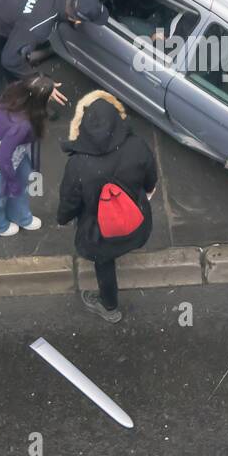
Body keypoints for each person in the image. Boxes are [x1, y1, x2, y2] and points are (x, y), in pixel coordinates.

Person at [56, 90, 158, 324]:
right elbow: (151, 180)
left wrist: (62, 219)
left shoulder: (78, 164)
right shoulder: (137, 146)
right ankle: (109, 302)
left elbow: (69, 202)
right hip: (137, 223)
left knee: (104, 263)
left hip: (99, 233)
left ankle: (109, 306)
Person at [0, 0, 109, 123]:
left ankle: (30, 106)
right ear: (76, 19)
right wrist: (40, 80)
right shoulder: (38, 28)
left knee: (19, 71)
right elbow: (10, 60)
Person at [0, 74, 55, 236]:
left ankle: (20, 215)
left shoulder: (15, 93)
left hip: (11, 151)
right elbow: (3, 157)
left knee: (23, 181)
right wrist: (11, 182)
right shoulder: (23, 125)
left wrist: (47, 88)